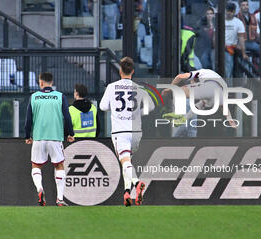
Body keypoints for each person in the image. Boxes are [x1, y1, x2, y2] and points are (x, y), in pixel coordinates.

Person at [99, 57, 155, 207]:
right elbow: (151, 107)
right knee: (127, 162)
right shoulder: (139, 87)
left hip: (120, 130)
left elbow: (103, 106)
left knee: (125, 162)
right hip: (136, 132)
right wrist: (138, 113)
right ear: (133, 71)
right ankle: (127, 193)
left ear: (120, 70)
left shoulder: (112, 87)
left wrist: (116, 109)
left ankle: (137, 184)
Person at [25, 72, 75, 207]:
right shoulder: (60, 96)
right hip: (55, 137)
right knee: (59, 165)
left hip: (39, 137)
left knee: (36, 166)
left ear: (40, 83)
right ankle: (59, 199)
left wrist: (27, 135)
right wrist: (70, 133)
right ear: (52, 83)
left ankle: (40, 189)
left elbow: (28, 119)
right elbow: (67, 116)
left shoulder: (34, 97)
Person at [161, 69, 237, 136]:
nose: (191, 83)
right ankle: (184, 118)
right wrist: (230, 120)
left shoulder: (200, 72)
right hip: (217, 95)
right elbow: (224, 107)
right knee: (201, 104)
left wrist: (169, 88)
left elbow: (180, 76)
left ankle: (179, 114)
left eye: (192, 81)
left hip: (211, 87)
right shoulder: (218, 84)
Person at [225, 2, 248, 78]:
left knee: (231, 70)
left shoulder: (238, 22)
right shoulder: (221, 21)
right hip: (222, 49)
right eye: (228, 10)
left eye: (231, 11)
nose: (229, 13)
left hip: (232, 49)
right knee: (227, 69)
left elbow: (241, 38)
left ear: (234, 11)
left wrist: (243, 53)